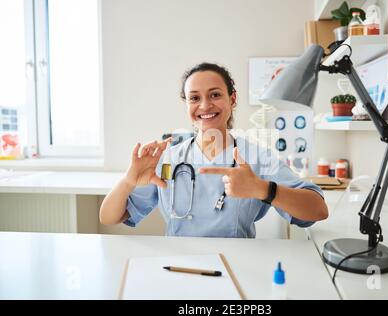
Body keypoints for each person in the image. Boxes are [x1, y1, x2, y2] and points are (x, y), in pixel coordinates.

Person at [99, 62, 328, 237]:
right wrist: (129, 180)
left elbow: (318, 209)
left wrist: (262, 189)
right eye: (194, 98)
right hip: (178, 266)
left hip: (237, 267)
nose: (205, 105)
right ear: (187, 105)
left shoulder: (257, 158)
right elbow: (110, 217)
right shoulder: (167, 160)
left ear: (232, 99)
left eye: (215, 95)